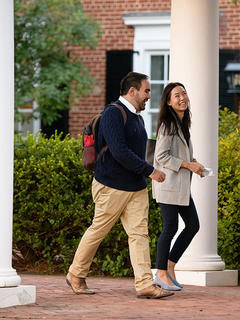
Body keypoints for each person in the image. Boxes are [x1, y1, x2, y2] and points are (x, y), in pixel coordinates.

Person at [66, 72, 174, 299]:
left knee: (139, 234)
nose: (148, 96)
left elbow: (139, 152)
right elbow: (119, 151)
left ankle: (145, 284)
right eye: (146, 91)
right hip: (111, 185)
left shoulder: (138, 118)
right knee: (98, 231)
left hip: (136, 187)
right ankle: (75, 274)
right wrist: (151, 171)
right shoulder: (113, 114)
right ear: (132, 91)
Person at [152, 82, 204, 291]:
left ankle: (170, 265)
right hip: (168, 186)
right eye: (176, 95)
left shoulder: (182, 123)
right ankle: (160, 273)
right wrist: (187, 164)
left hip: (180, 188)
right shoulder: (168, 124)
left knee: (193, 226)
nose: (182, 97)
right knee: (170, 228)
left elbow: (181, 156)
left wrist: (195, 164)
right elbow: (161, 156)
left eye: (184, 93)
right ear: (168, 102)